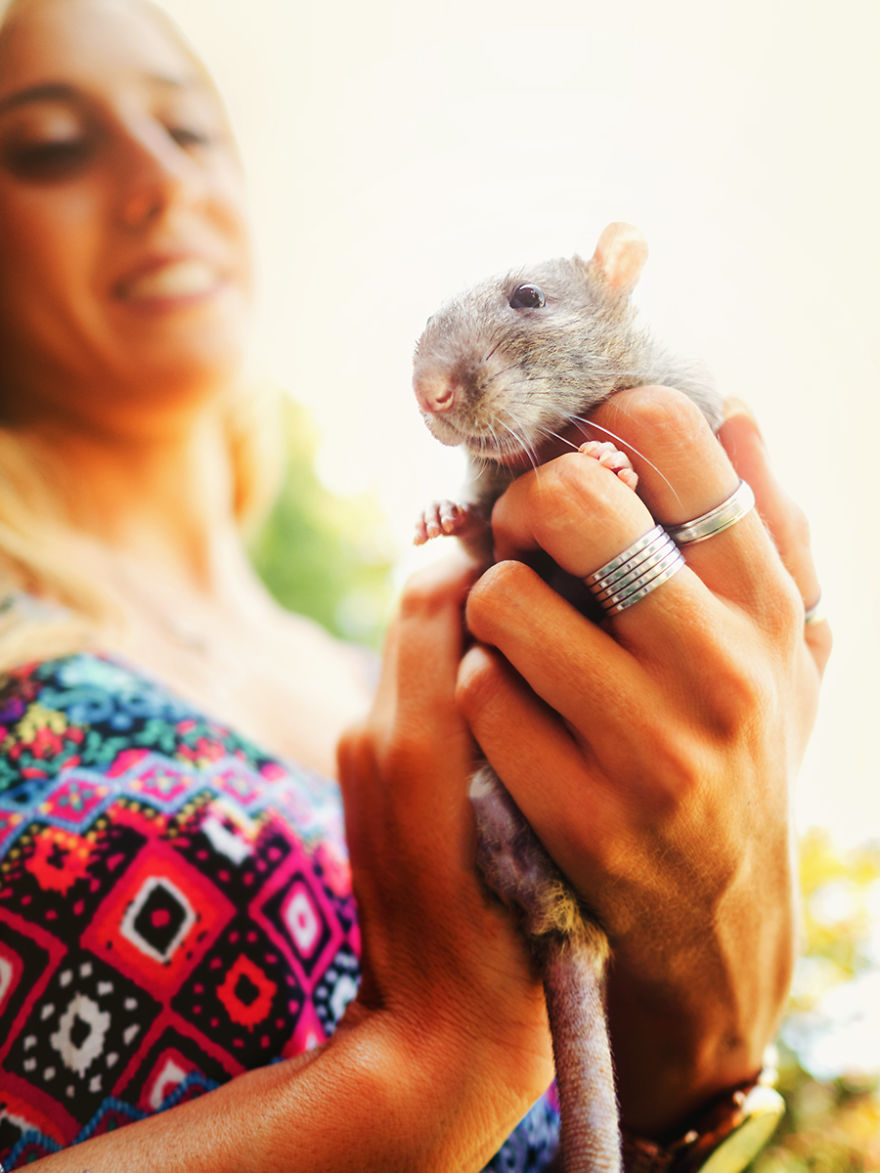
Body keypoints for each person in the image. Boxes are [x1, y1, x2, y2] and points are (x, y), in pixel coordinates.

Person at [0, 0, 831, 1169]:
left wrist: (705, 1028)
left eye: (190, 131)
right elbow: (465, 1060)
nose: (161, 180)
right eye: (49, 146)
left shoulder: (403, 664)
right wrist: (428, 1068)